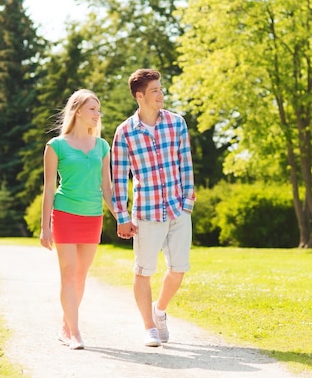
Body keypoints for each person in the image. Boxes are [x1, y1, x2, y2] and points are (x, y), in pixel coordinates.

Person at [111, 68, 196, 347]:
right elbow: (119, 178)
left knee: (179, 269)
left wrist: (187, 205)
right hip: (146, 213)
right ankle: (148, 327)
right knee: (143, 271)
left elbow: (186, 164)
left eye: (161, 89)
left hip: (177, 209)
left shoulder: (176, 123)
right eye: (155, 91)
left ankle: (159, 311)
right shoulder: (124, 132)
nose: (161, 95)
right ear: (140, 96)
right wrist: (122, 217)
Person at [40, 89, 115, 350]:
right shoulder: (56, 146)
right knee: (69, 273)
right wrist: (44, 227)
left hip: (92, 216)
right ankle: (74, 332)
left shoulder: (103, 146)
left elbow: (107, 188)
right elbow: (49, 189)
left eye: (98, 109)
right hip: (65, 214)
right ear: (78, 111)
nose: (97, 114)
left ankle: (64, 326)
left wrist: (121, 217)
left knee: (81, 275)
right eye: (92, 109)